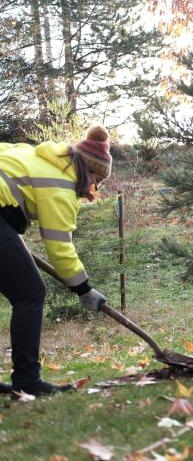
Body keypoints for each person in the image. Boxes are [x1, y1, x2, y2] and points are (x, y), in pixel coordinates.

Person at [0, 125, 112, 396]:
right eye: (98, 180)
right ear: (90, 169)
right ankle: (28, 380)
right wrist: (84, 290)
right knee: (30, 293)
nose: (95, 188)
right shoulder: (62, 183)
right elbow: (60, 247)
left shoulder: (39, 156)